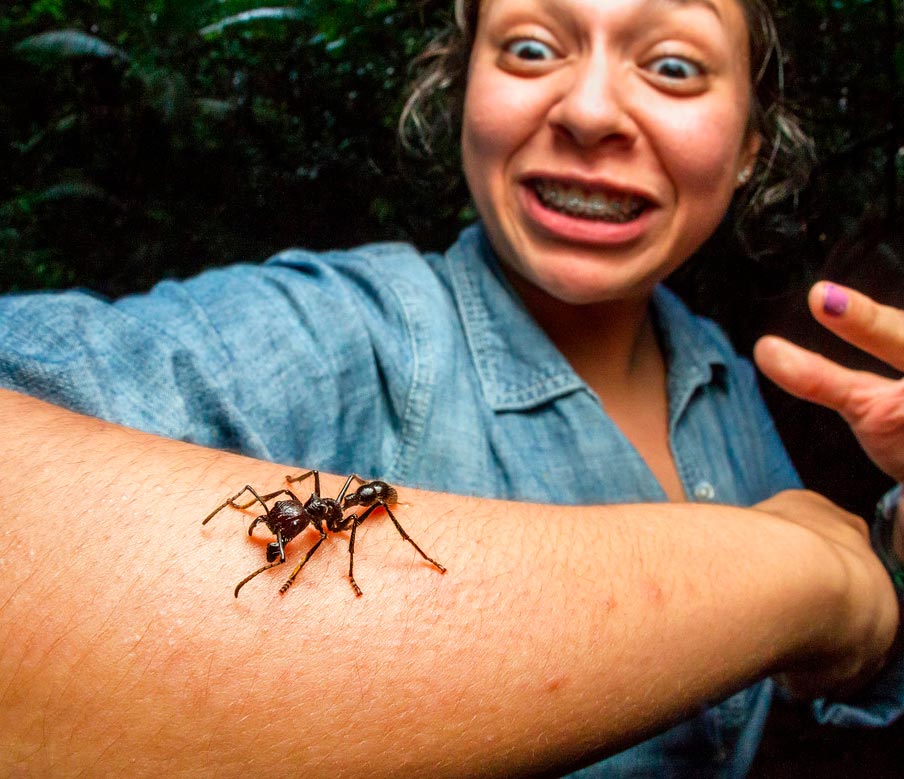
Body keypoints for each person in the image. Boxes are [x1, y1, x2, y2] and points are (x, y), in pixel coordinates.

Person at [0, 0, 902, 776]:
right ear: (460, 88)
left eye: (672, 65)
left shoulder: (726, 374)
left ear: (750, 146)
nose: (588, 110)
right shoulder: (353, 331)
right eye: (532, 48)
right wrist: (806, 579)